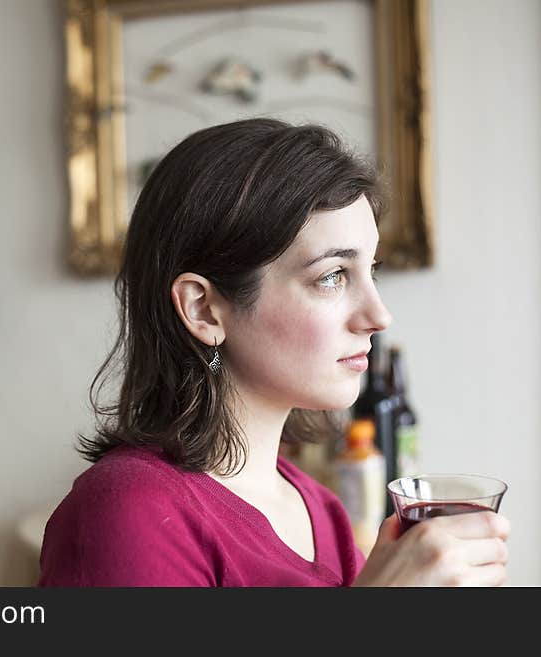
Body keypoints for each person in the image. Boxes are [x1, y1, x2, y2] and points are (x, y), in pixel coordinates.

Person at [39, 118, 510, 586]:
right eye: (332, 277)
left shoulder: (321, 509)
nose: (379, 315)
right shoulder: (129, 510)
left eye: (371, 271)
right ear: (204, 310)